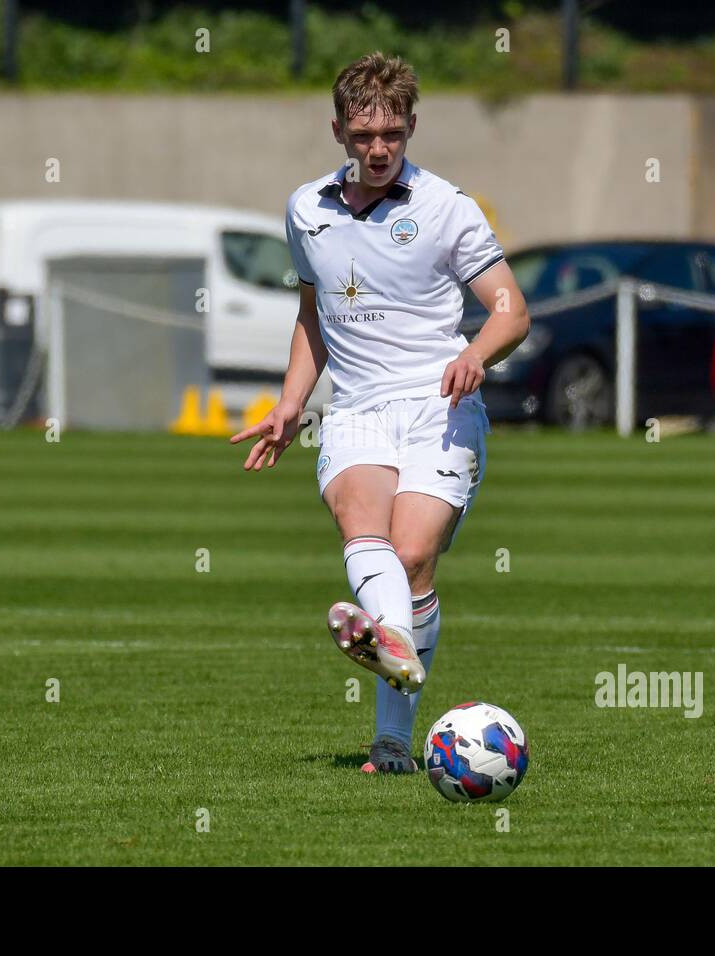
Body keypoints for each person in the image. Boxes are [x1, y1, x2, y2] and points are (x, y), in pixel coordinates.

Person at [229, 52, 529, 773]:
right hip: (357, 409)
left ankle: (393, 718)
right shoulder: (307, 210)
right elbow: (313, 314)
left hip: (440, 406)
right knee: (361, 524)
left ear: (411, 127)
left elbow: (512, 310)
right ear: (337, 131)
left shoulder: (446, 207)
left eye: (392, 133)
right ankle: (393, 698)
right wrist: (290, 404)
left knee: (415, 555)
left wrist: (476, 354)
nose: (379, 148)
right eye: (364, 136)